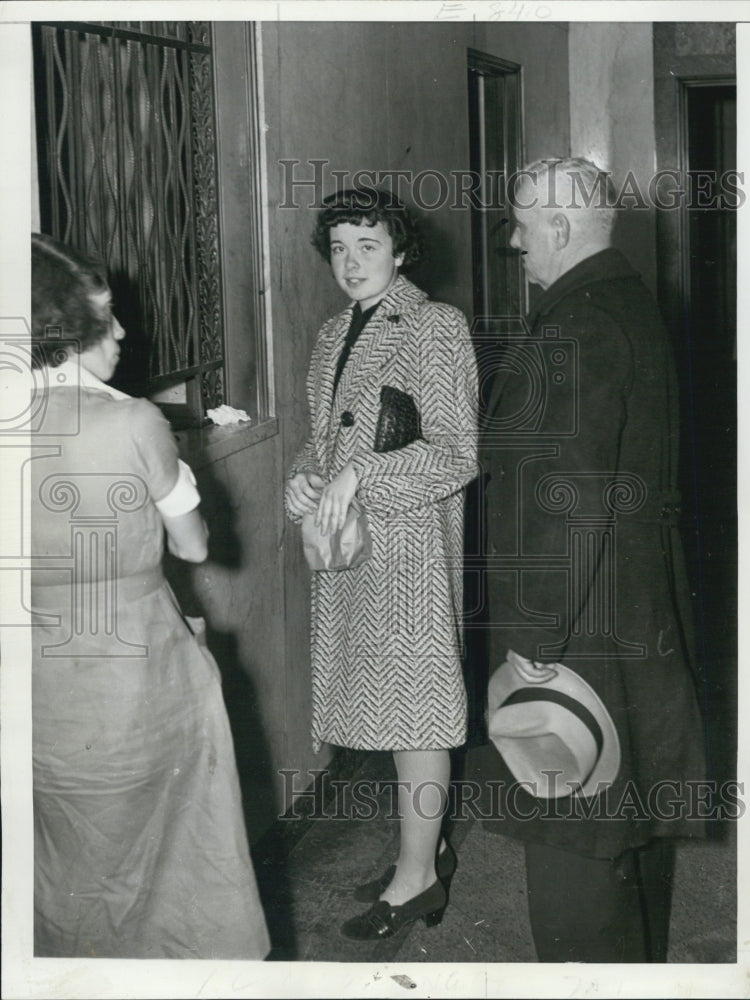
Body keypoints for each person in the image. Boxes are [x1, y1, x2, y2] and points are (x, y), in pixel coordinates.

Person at [469, 158, 706, 962]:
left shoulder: (573, 327)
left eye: (523, 227)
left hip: (579, 632)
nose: (514, 241)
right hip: (630, 611)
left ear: (561, 230)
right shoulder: (629, 305)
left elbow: (571, 502)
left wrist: (533, 640)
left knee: (573, 850)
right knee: (620, 840)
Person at [29, 233, 270, 959]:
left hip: (38, 689)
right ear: (69, 323)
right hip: (135, 678)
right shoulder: (134, 420)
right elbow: (195, 546)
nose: (125, 332)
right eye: (107, 317)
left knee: (66, 866)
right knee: (176, 870)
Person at [285, 188, 478, 940]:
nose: (351, 262)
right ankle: (420, 855)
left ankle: (418, 879)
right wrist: (306, 475)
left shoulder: (433, 326)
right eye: (338, 248)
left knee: (418, 717)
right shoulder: (335, 332)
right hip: (351, 552)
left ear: (400, 252)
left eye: (367, 245)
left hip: (409, 554)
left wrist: (361, 477)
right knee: (395, 717)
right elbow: (325, 439)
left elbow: (457, 453)